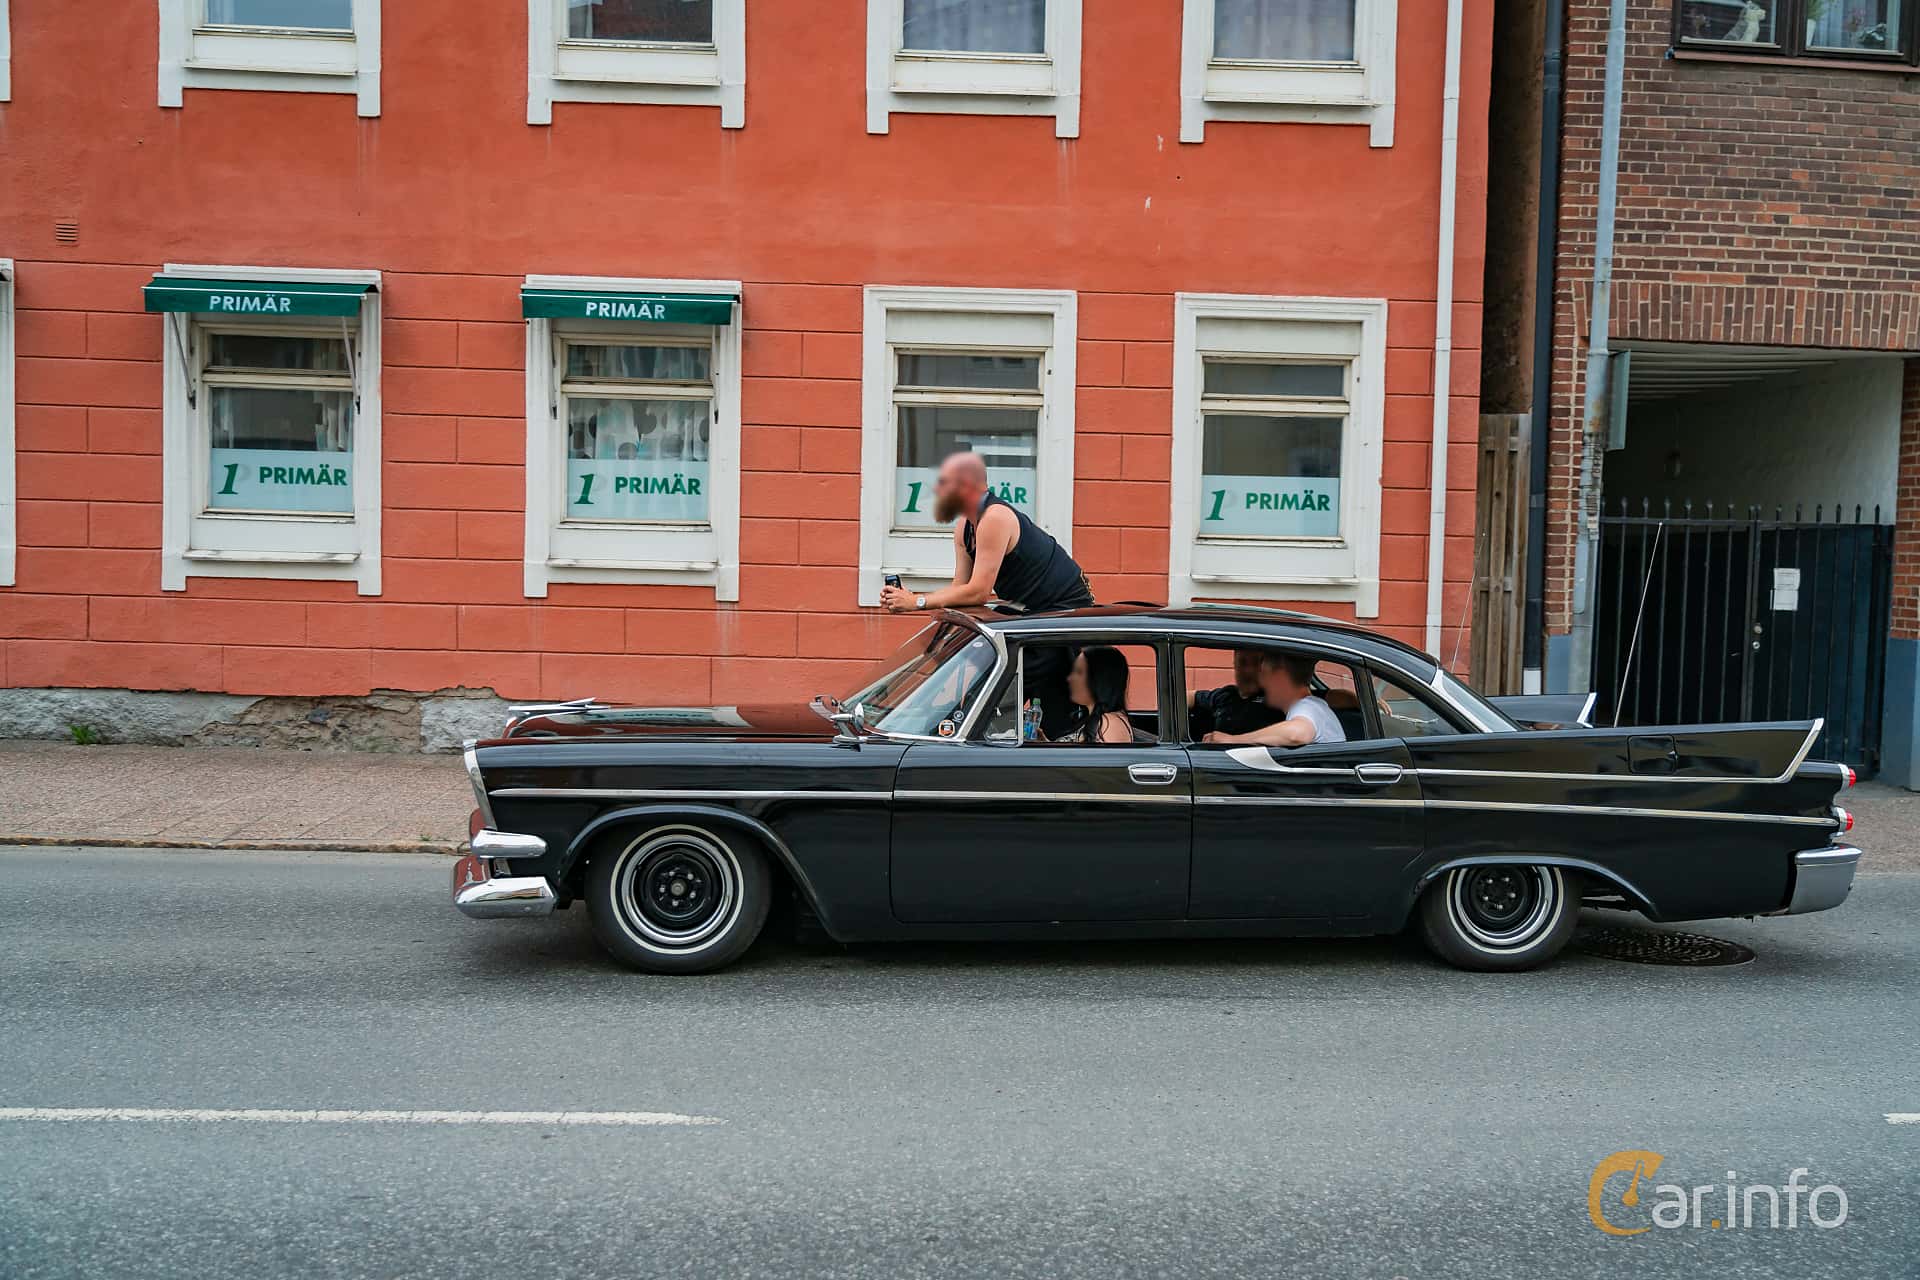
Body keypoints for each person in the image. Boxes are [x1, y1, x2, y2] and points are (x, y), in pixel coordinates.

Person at [881, 451, 1094, 735]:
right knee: (990, 669)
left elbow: (979, 593)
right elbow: (961, 590)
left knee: (1004, 682)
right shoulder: (964, 528)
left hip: (1063, 612)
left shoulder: (995, 519)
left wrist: (917, 601)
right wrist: (915, 601)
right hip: (1032, 612)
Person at [1203, 652, 1346, 748]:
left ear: (1279, 678)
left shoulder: (1307, 707)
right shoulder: (1312, 706)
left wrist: (1232, 740)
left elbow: (1296, 734)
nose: (1261, 683)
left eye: (1264, 675)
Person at [1188, 648, 1287, 739]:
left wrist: (1232, 740)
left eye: (1256, 663)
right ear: (1235, 664)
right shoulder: (1226, 694)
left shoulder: (1276, 699)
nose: (1249, 670)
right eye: (1243, 662)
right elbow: (1189, 697)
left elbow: (1297, 732)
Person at [1057, 647, 1133, 744]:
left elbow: (1103, 758)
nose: (1070, 678)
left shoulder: (1110, 724)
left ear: (1099, 680)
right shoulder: (1099, 719)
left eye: (1079, 672)